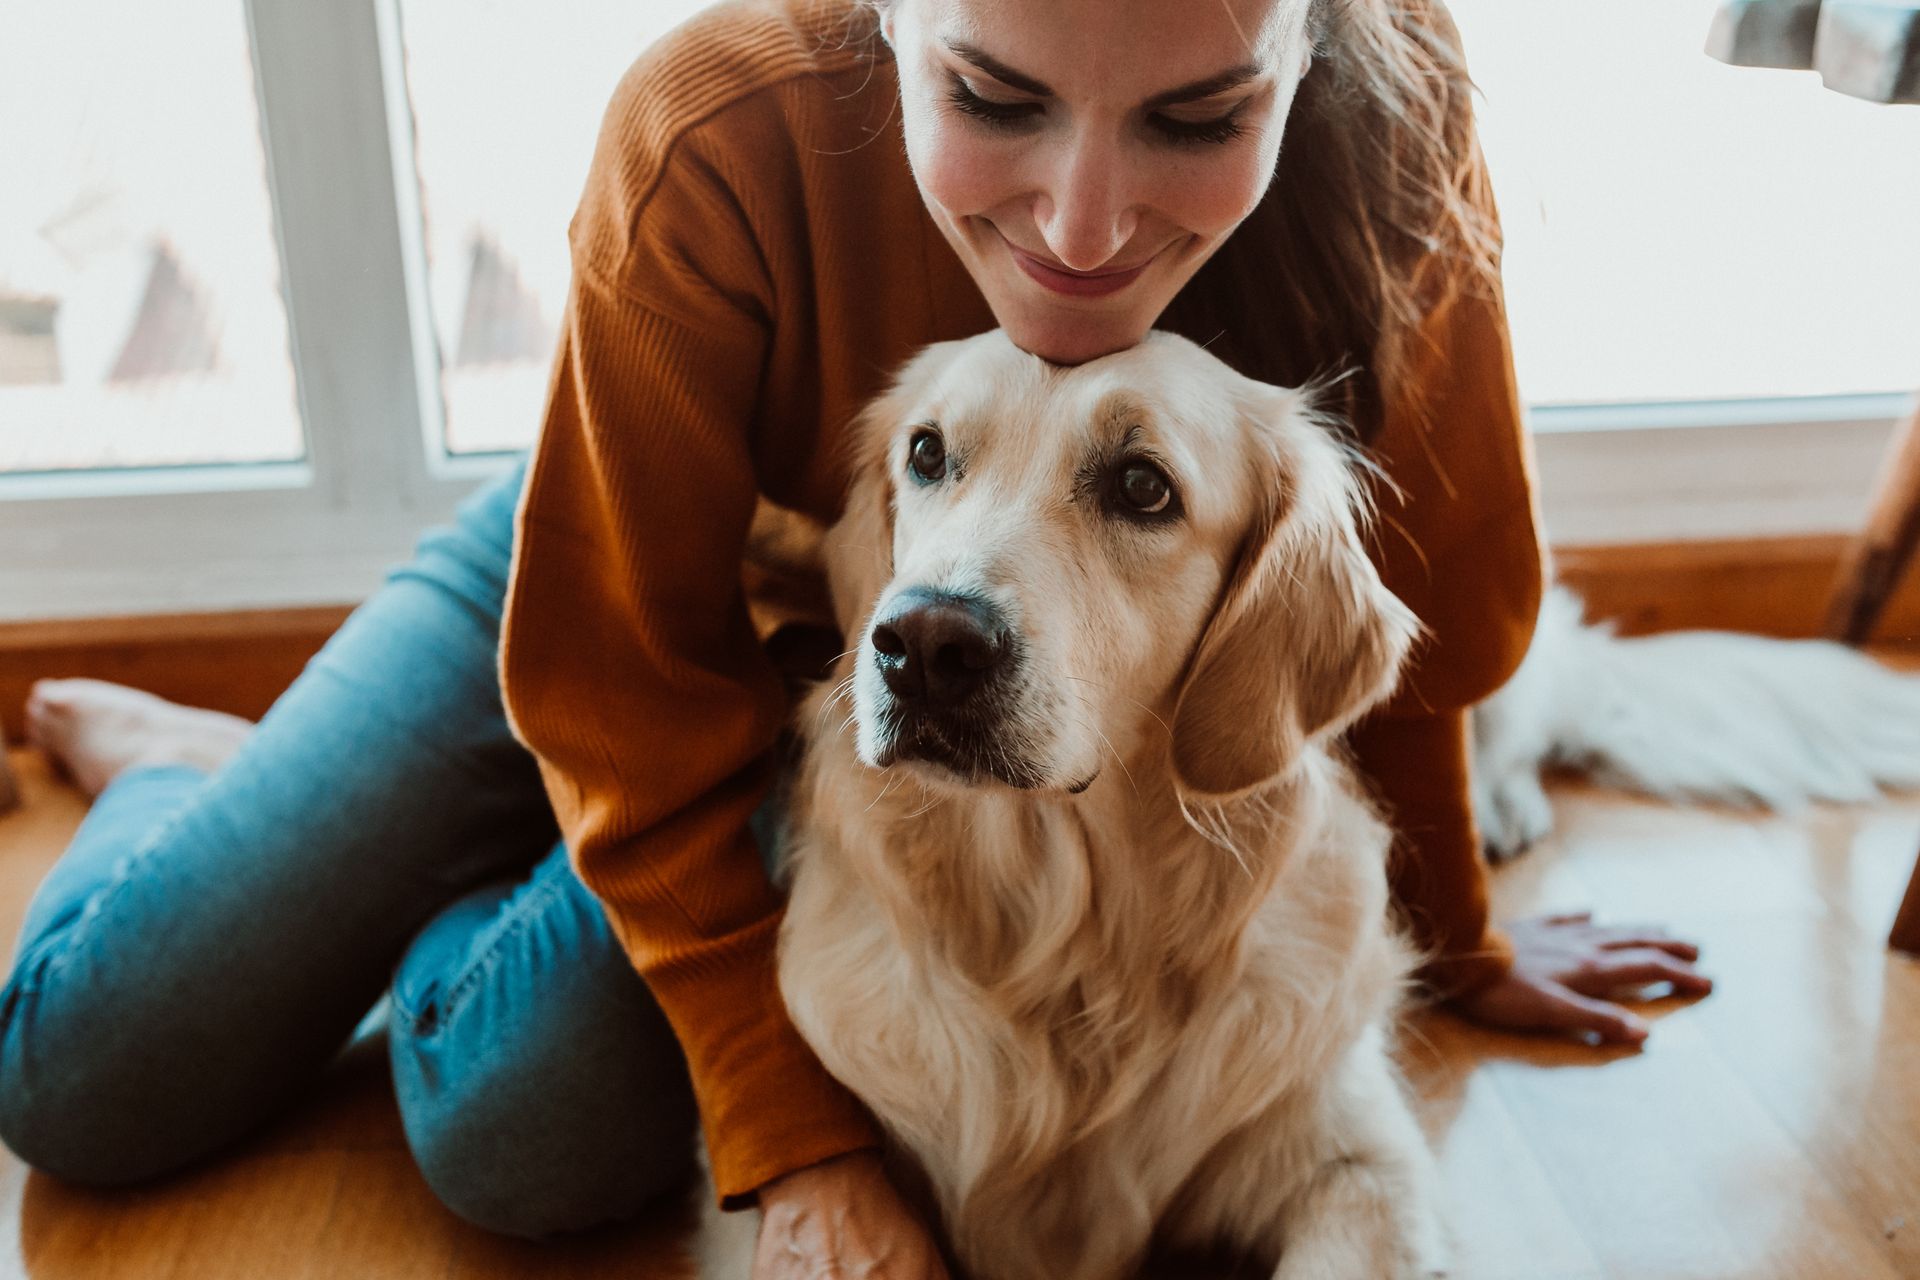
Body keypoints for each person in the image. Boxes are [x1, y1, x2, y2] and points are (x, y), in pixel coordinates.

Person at [1, 0, 1713, 1274]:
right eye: (991, 95)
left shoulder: (1395, 125)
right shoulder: (717, 127)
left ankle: (405, 843)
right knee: (85, 1070)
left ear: (1309, 49)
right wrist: (798, 1140)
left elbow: (1399, 593)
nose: (1085, 225)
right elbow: (615, 679)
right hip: (615, 592)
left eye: (1198, 117)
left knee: (522, 1132)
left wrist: (1459, 938)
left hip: (875, 687)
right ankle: (202, 778)